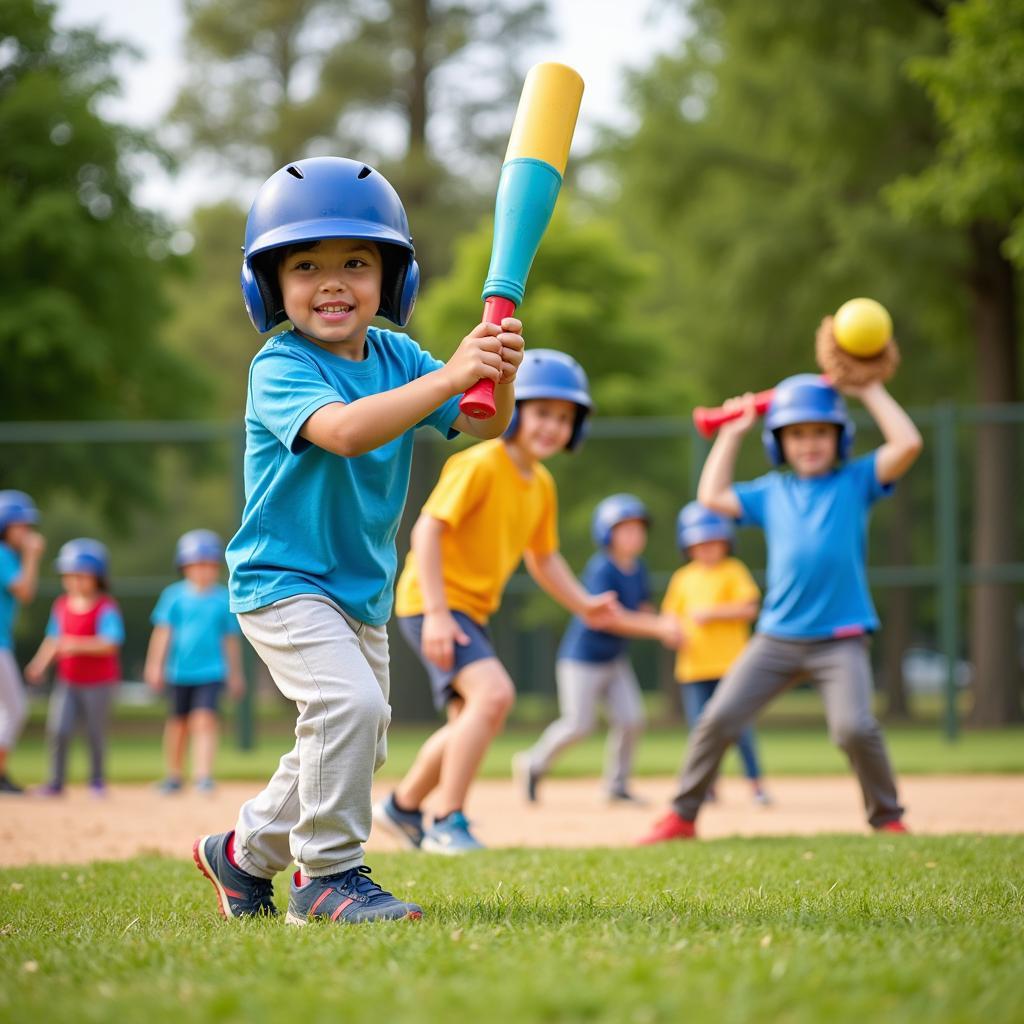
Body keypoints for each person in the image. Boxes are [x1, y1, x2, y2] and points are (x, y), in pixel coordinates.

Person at [192, 156, 524, 926]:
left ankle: (241, 855)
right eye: (305, 264)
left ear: (391, 280)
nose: (332, 281)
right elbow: (341, 432)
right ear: (270, 286)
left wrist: (496, 369)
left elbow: (483, 423)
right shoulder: (280, 365)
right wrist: (449, 378)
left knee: (355, 736)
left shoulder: (399, 357)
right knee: (351, 708)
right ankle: (328, 877)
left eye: (356, 262)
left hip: (359, 589)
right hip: (284, 580)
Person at [639, 375, 922, 844]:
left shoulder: (856, 481)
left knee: (853, 727)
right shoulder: (773, 491)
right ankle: (682, 817)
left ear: (839, 438)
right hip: (777, 637)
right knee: (718, 719)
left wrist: (868, 388)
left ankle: (887, 816)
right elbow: (712, 496)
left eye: (819, 432)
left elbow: (908, 444)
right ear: (780, 443)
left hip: (840, 636)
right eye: (796, 434)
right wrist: (731, 434)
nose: (808, 443)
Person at [374, 349, 622, 855]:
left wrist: (584, 605)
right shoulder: (482, 462)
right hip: (433, 603)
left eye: (564, 417)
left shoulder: (541, 485)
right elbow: (427, 531)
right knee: (495, 696)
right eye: (543, 412)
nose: (552, 426)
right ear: (516, 408)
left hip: (468, 610)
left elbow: (544, 559)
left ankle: (403, 807)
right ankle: (447, 819)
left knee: (471, 717)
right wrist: (440, 615)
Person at [512, 493, 679, 805]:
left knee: (632, 719)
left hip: (614, 659)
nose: (634, 535)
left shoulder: (638, 567)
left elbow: (641, 609)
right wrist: (659, 628)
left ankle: (616, 786)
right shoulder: (602, 567)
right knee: (578, 724)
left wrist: (665, 623)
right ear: (606, 534)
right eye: (624, 529)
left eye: (638, 528)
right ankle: (532, 763)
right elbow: (607, 619)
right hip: (582, 660)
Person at [662, 502, 768, 806]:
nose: (706, 549)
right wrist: (671, 630)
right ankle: (708, 787)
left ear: (725, 542)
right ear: (688, 546)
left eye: (712, 542)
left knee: (740, 728)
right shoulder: (683, 578)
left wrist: (713, 613)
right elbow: (669, 614)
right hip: (693, 667)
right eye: (699, 543)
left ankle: (756, 785)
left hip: (732, 666)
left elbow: (749, 607)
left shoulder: (733, 571)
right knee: (701, 732)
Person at [145, 530, 244, 794]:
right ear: (185, 567)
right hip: (179, 672)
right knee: (178, 723)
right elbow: (163, 633)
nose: (202, 571)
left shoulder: (223, 598)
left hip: (211, 671)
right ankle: (174, 775)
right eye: (196, 564)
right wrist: (155, 665)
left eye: (208, 565)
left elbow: (230, 640)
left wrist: (235, 673)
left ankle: (203, 775)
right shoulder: (173, 596)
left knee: (205, 720)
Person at [25, 539, 124, 798]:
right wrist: (39, 663)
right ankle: (55, 782)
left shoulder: (106, 607)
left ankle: (97, 781)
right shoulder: (61, 605)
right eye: (69, 575)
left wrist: (75, 644)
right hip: (67, 680)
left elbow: (110, 643)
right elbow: (53, 639)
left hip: (99, 682)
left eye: (81, 575)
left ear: (97, 577)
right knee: (58, 729)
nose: (74, 581)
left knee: (95, 732)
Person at [0, 491, 45, 794]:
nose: (26, 532)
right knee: (15, 708)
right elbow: (25, 591)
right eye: (20, 525)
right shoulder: (3, 554)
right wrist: (32, 556)